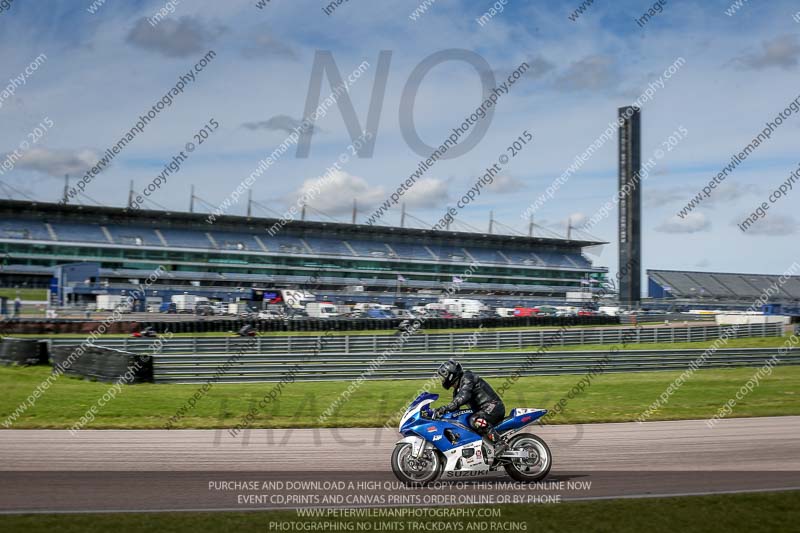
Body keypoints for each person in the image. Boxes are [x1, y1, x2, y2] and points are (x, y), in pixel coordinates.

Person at [433, 359, 508, 457]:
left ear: (451, 375)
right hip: (482, 410)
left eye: (443, 377)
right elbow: (455, 407)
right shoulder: (457, 389)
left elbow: (463, 397)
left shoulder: (468, 378)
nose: (442, 380)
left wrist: (444, 408)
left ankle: (499, 443)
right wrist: (437, 413)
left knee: (474, 420)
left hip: (493, 406)